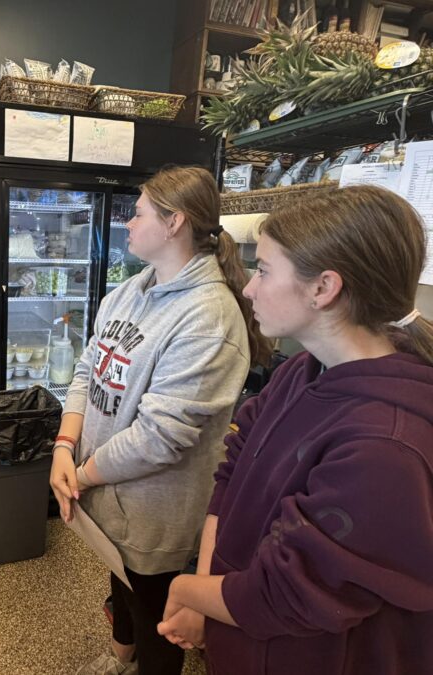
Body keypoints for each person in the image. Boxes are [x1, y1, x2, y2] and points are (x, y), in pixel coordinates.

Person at [158, 185, 433, 674]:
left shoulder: (384, 446)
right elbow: (233, 470)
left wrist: (184, 589)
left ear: (323, 288)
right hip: (243, 632)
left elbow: (292, 593)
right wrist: (208, 592)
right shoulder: (302, 369)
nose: (247, 288)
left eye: (263, 270)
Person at [50, 166, 271, 675]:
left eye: (139, 212)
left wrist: (78, 476)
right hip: (104, 492)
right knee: (119, 583)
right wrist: (65, 444)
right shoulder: (130, 290)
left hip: (155, 512)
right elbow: (88, 368)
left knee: (156, 617)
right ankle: (119, 653)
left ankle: (139, 658)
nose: (127, 223)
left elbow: (160, 438)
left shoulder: (208, 317)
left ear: (175, 223)